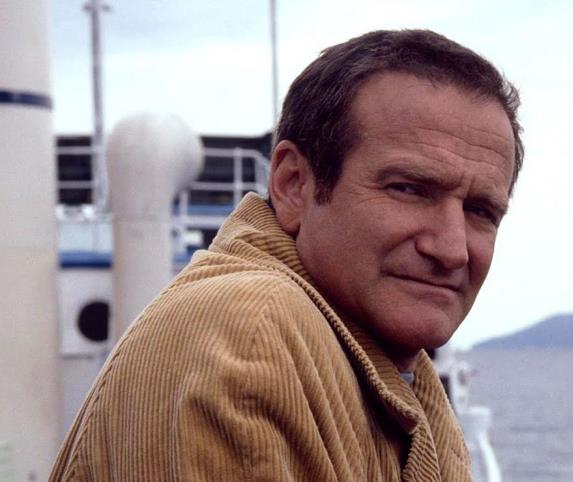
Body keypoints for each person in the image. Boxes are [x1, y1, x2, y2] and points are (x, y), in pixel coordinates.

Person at [49, 29, 523, 481]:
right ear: (294, 185)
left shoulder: (393, 369)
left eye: (481, 211)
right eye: (408, 189)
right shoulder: (253, 333)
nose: (452, 250)